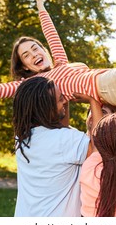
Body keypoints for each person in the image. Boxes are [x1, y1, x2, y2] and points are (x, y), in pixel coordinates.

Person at [12, 76, 102, 217]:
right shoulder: (64, 141)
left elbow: (59, 130)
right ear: (46, 109)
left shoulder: (22, 137)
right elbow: (98, 148)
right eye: (60, 100)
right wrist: (94, 102)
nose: (65, 101)